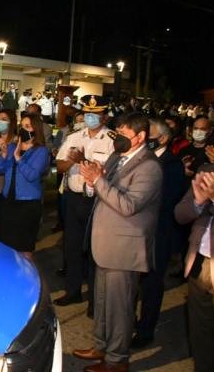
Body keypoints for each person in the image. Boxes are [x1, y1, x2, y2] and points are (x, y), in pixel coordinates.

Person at [73, 112, 162, 372]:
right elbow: (102, 192)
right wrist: (92, 180)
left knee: (120, 308)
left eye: (123, 133)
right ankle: (101, 346)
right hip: (105, 243)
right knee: (103, 303)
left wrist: (98, 180)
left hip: (125, 248)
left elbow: (128, 205)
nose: (118, 138)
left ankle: (117, 360)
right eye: (118, 132)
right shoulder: (117, 156)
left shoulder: (149, 167)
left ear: (140, 136)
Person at [54, 96, 114, 309]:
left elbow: (111, 174)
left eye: (94, 114)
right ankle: (73, 292)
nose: (90, 117)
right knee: (72, 246)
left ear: (104, 117)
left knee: (94, 251)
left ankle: (95, 301)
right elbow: (59, 166)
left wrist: (82, 160)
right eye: (87, 113)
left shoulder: (112, 140)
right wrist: (71, 160)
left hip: (98, 200)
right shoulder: (74, 137)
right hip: (73, 198)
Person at [133, 118, 185, 348]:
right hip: (134, 231)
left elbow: (167, 200)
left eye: (150, 134)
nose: (144, 138)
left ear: (163, 138)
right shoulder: (139, 158)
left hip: (158, 234)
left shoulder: (172, 164)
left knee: (152, 285)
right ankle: (128, 322)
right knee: (131, 282)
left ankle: (146, 330)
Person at [175, 165, 214, 372]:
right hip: (199, 263)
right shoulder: (210, 171)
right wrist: (198, 202)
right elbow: (180, 214)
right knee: (201, 333)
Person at [0, 113, 48, 258]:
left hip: (27, 205)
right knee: (6, 245)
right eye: (22, 126)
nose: (23, 129)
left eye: (27, 126)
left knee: (24, 249)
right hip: (8, 201)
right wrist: (3, 154)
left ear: (36, 129)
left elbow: (32, 175)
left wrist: (18, 158)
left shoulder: (41, 151)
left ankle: (26, 272)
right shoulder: (12, 146)